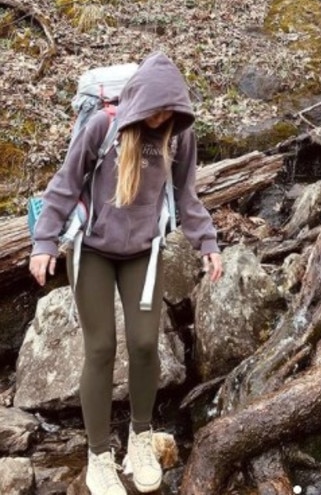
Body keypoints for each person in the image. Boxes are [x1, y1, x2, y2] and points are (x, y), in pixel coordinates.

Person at [29, 53, 223, 495]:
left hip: (142, 254)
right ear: (139, 101)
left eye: (170, 111)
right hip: (93, 251)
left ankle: (139, 437)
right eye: (156, 109)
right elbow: (64, 185)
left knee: (143, 343)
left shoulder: (178, 136)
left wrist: (207, 242)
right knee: (100, 348)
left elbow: (186, 196)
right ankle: (99, 455)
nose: (162, 118)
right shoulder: (103, 128)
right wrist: (43, 244)